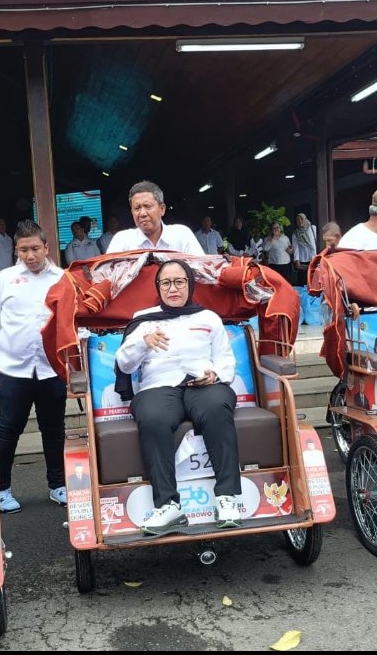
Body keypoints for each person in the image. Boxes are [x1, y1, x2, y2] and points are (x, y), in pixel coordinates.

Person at [115, 260, 242, 534]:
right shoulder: (144, 319)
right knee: (153, 417)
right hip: (159, 386)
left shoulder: (208, 318)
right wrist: (142, 341)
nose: (173, 288)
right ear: (158, 287)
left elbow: (226, 360)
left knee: (217, 407)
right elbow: (124, 365)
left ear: (190, 284)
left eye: (179, 281)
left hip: (203, 384)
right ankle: (168, 506)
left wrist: (215, 375)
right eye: (166, 283)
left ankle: (227, 497)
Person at [0, 220, 68, 513]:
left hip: (51, 368)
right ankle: (0, 489)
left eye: (35, 248)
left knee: (54, 429)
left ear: (46, 247)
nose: (30, 256)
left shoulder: (63, 279)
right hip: (13, 369)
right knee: (7, 430)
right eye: (23, 250)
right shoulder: (5, 279)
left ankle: (58, 485)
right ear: (15, 251)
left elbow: (71, 323)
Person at [105, 181, 203, 254]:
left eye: (147, 206)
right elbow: (108, 277)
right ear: (132, 212)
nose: (142, 213)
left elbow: (201, 272)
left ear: (162, 209)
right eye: (137, 208)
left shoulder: (182, 234)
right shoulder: (122, 240)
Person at [290, 213, 318, 282]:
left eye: (302, 219)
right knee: (303, 281)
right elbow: (295, 248)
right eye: (297, 220)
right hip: (303, 260)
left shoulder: (313, 228)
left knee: (314, 280)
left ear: (306, 219)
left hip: (314, 258)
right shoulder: (295, 233)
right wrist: (297, 260)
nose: (300, 221)